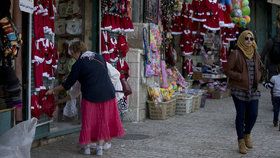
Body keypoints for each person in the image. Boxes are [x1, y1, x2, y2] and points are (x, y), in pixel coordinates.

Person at [45, 40, 125, 156]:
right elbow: (114, 75)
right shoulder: (99, 57)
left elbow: (67, 84)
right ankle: (99, 149)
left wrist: (53, 90)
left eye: (71, 53)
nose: (71, 55)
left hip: (90, 96)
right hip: (107, 94)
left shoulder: (78, 64)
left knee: (88, 121)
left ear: (75, 51)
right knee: (102, 121)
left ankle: (87, 148)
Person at [224, 30, 263, 154]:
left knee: (253, 114)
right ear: (241, 39)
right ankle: (241, 141)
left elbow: (260, 67)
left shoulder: (255, 53)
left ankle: (247, 134)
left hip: (253, 89)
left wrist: (259, 76)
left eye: (251, 39)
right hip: (239, 90)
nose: (249, 41)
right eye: (246, 38)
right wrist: (240, 77)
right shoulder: (236, 53)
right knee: (241, 115)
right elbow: (227, 71)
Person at [264, 65, 280, 130]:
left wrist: (264, 83)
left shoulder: (274, 78)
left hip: (276, 96)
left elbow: (269, 86)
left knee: (276, 109)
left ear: (277, 70)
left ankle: (275, 121)